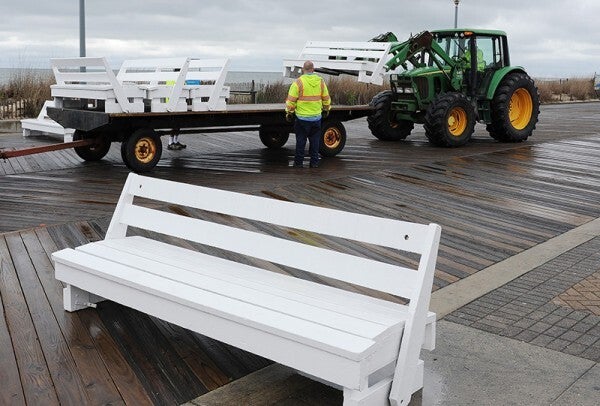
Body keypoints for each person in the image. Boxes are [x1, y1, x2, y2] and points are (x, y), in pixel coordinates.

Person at [285, 60, 331, 168]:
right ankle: (314, 163)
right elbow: (326, 98)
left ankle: (298, 164)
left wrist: (289, 113)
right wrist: (326, 109)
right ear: (313, 70)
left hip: (302, 119)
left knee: (301, 142)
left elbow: (291, 101)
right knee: (315, 142)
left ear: (302, 70)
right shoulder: (320, 81)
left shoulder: (298, 82)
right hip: (316, 118)